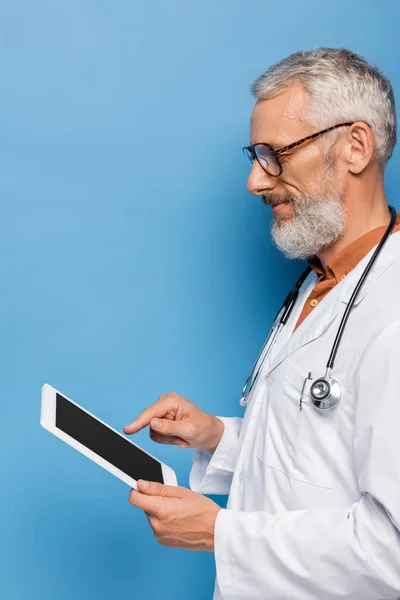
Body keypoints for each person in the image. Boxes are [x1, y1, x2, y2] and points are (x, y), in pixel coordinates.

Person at [125, 48, 400, 599]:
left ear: (355, 146)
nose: (255, 180)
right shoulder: (319, 281)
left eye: (275, 154)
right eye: (255, 155)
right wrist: (217, 436)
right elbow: (321, 459)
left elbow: (390, 549)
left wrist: (221, 534)